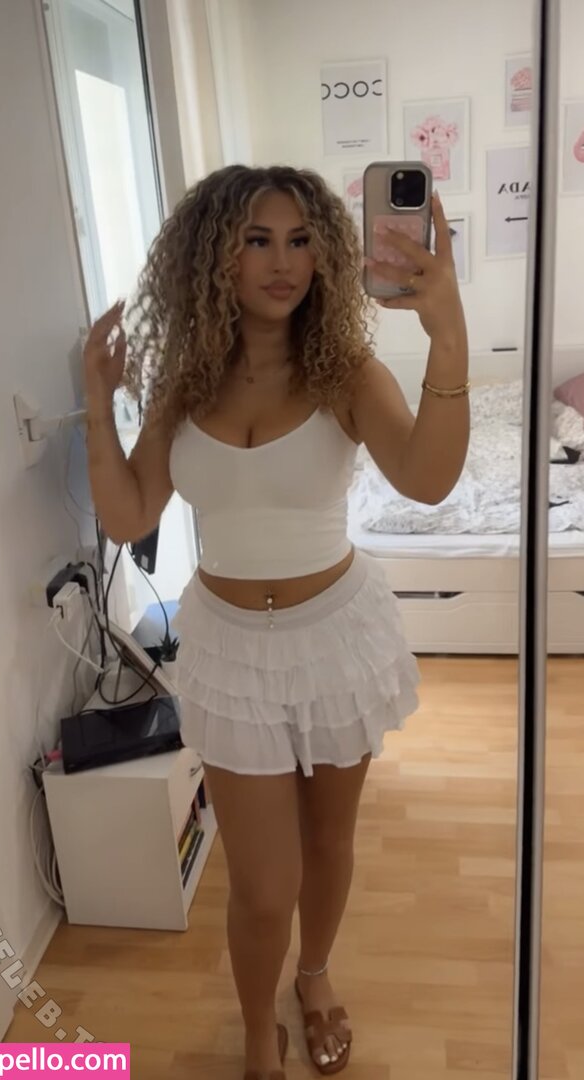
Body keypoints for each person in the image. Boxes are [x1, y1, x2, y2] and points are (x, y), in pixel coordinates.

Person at [83, 164, 469, 1080]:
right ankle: (260, 1028)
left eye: (300, 240)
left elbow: (427, 480)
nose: (281, 262)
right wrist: (98, 401)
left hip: (335, 637)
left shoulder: (347, 373)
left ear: (326, 254)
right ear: (213, 255)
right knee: (262, 885)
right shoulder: (182, 386)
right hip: (227, 651)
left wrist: (447, 331)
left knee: (328, 842)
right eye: (256, 240)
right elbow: (130, 516)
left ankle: (316, 974)